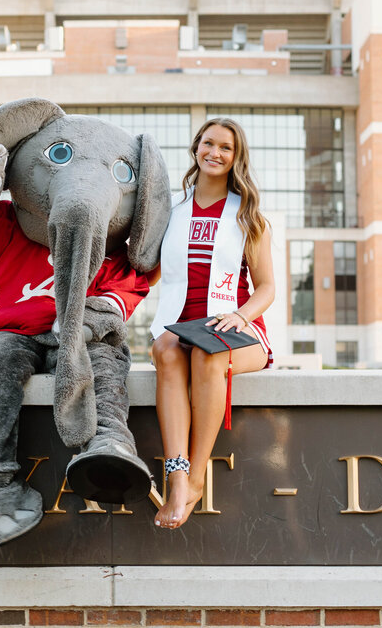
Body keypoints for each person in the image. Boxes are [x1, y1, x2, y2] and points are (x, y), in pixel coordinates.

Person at [148, 117, 275, 529]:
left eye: (226, 147)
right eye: (208, 144)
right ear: (195, 149)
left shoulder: (248, 216)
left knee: (208, 353)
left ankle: (196, 477)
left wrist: (240, 316)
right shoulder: (172, 212)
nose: (215, 153)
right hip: (181, 325)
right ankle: (177, 473)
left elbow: (267, 288)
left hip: (237, 328)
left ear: (236, 157)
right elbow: (151, 272)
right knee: (165, 350)